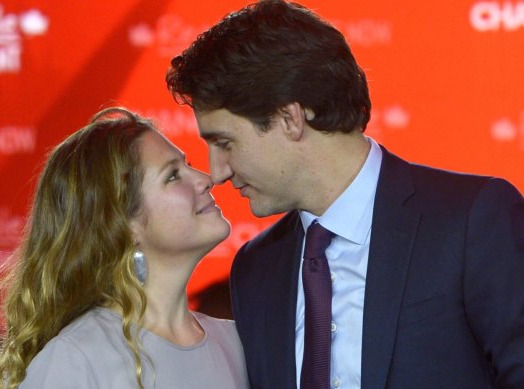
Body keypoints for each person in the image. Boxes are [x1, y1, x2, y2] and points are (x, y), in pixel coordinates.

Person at [166, 0, 524, 388]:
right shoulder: (256, 268)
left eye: (225, 142)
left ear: (290, 119)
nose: (217, 171)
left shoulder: (471, 220)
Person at [0, 107, 249, 389]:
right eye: (172, 175)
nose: (205, 179)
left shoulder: (235, 342)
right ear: (124, 224)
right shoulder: (75, 357)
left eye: (188, 165)